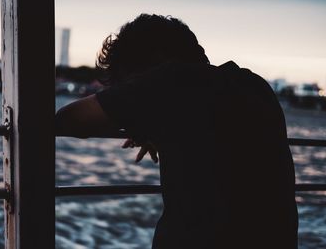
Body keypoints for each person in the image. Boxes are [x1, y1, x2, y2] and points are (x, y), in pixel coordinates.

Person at [55, 14, 298, 249]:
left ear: (153, 61)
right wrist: (152, 123)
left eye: (128, 82)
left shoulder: (172, 80)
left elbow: (69, 120)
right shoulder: (252, 84)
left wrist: (139, 111)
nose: (130, 89)